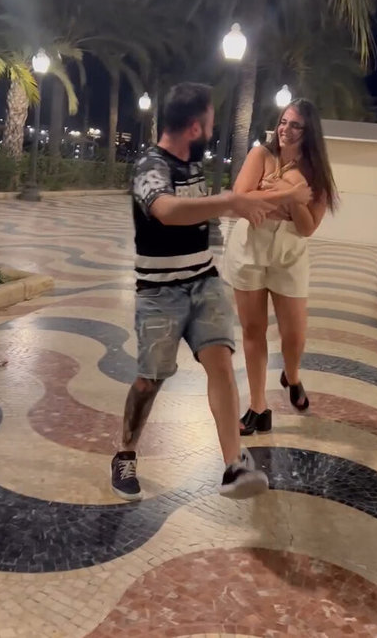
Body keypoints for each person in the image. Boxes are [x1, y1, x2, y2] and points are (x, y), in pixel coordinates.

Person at [111, 83, 309, 501]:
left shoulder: (193, 165)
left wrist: (248, 203)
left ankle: (234, 465)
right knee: (149, 380)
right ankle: (125, 452)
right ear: (194, 127)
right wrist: (230, 202)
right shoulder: (150, 165)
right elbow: (165, 210)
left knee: (220, 363)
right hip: (159, 292)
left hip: (203, 281)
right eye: (210, 123)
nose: (213, 131)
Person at [222, 98, 337, 435]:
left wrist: (279, 195)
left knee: (294, 334)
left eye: (295, 125)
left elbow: (307, 227)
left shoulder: (317, 173)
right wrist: (290, 195)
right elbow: (240, 199)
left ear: (309, 131)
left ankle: (292, 375)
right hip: (250, 246)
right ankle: (258, 408)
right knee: (253, 331)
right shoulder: (260, 155)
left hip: (289, 253)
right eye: (284, 122)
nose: (285, 129)